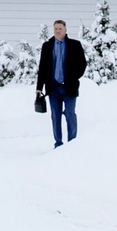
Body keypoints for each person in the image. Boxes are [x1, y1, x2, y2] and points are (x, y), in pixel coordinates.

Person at [36, 19, 87, 148]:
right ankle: (58, 143)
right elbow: (42, 67)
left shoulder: (75, 45)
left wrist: (74, 77)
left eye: (60, 29)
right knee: (55, 115)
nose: (58, 31)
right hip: (54, 87)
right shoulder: (47, 46)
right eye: (56, 29)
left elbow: (82, 64)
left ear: (65, 30)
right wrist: (39, 87)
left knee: (70, 113)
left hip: (69, 86)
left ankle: (72, 143)